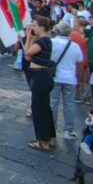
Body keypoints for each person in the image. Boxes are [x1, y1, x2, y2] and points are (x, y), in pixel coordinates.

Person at [24, 17, 55, 152]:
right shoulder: (43, 41)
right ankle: (50, 137)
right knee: (44, 107)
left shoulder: (42, 40)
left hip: (40, 76)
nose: (33, 28)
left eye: (35, 26)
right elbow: (28, 57)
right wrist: (31, 38)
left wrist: (28, 38)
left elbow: (27, 52)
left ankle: (43, 140)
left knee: (39, 109)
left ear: (42, 27)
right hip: (41, 75)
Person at [49, 22, 84, 140]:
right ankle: (68, 130)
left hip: (55, 76)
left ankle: (51, 128)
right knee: (69, 104)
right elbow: (80, 63)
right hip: (70, 78)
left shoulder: (52, 43)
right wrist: (79, 79)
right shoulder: (75, 46)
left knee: (53, 102)